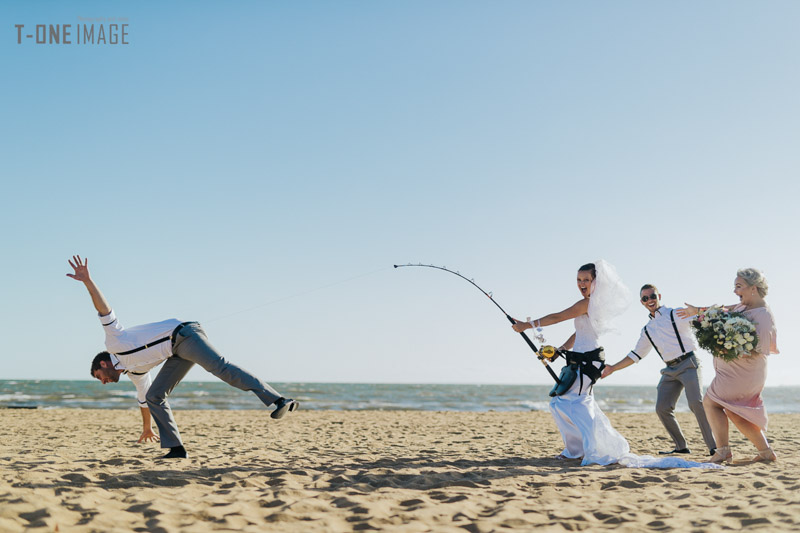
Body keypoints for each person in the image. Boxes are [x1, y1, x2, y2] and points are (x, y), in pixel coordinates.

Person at [67, 255, 298, 459]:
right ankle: (176, 448)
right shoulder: (135, 373)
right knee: (155, 395)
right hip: (175, 354)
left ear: (104, 363)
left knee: (221, 368)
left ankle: (279, 400)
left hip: (185, 335)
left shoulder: (114, 341)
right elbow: (145, 400)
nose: (104, 381)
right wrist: (147, 428)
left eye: (100, 376)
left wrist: (88, 281)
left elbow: (105, 310)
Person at [512, 261, 632, 465]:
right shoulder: (590, 304)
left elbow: (558, 317)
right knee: (560, 403)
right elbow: (579, 332)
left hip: (589, 361)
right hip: (581, 358)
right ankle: (577, 449)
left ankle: (586, 450)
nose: (582, 283)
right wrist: (560, 350)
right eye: (579, 280)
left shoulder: (587, 303)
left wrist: (527, 325)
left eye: (586, 279)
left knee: (576, 404)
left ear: (596, 282)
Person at [601, 284, 717, 456]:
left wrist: (698, 311)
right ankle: (681, 447)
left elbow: (703, 317)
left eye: (652, 296)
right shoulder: (647, 329)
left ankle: (715, 447)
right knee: (662, 408)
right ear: (642, 302)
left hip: (688, 363)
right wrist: (612, 368)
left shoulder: (675, 313)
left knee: (696, 404)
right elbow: (636, 355)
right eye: (645, 298)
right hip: (670, 369)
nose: (650, 300)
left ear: (659, 296)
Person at [678, 268, 779, 464]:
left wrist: (726, 345)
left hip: (745, 373)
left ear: (753, 288)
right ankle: (765, 452)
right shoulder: (743, 307)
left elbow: (761, 348)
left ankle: (723, 451)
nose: (735, 291)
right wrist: (696, 311)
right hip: (733, 371)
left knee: (711, 402)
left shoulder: (763, 315)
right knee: (734, 409)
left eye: (739, 286)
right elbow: (720, 310)